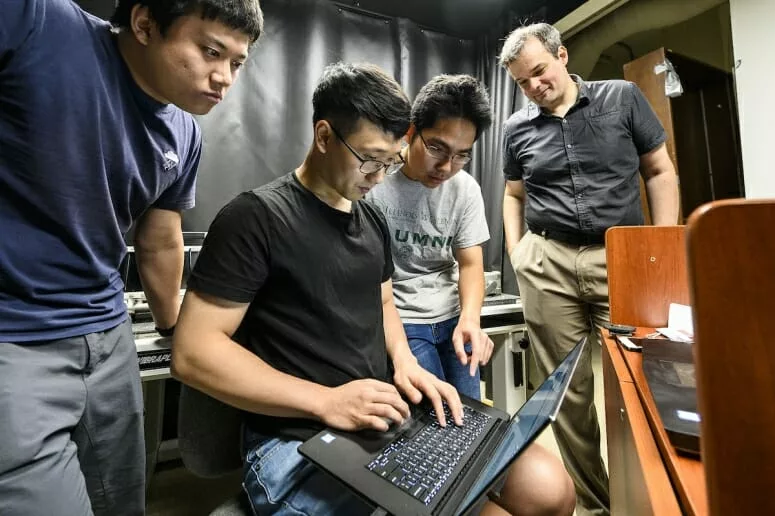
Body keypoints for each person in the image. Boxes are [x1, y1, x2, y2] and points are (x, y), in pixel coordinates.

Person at [172, 62, 576, 516]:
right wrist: (326, 401)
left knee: (550, 490)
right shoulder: (255, 218)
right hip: (296, 439)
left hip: (381, 416)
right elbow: (193, 352)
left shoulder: (371, 219)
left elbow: (383, 301)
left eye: (390, 162)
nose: (379, 177)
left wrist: (405, 364)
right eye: (369, 160)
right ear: (324, 137)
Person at [0, 0, 263, 514]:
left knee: (123, 500)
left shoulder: (184, 135)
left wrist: (173, 326)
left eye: (236, 62)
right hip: (16, 335)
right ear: (145, 24)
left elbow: (160, 238)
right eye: (210, 51)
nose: (224, 78)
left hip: (107, 331)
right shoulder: (38, 23)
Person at [499, 23, 679, 516]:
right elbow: (513, 196)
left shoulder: (621, 98)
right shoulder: (516, 129)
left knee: (645, 380)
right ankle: (597, 507)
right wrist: (518, 253)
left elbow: (660, 170)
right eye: (522, 82)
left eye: (539, 71)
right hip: (548, 261)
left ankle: (657, 501)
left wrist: (661, 248)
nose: (534, 86)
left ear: (561, 55)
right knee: (565, 393)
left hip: (621, 254)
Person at [367, 74, 494, 401]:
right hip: (404, 320)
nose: (447, 166)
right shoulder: (375, 185)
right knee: (435, 411)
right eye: (437, 148)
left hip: (452, 316)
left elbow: (470, 264)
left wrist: (470, 318)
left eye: (462, 155)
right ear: (411, 132)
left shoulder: (465, 190)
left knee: (470, 410)